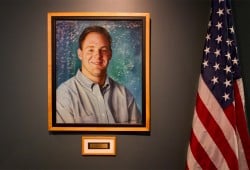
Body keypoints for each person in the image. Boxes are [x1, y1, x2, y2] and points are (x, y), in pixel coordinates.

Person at [56, 25, 142, 124]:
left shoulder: (124, 95)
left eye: (104, 50)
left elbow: (136, 137)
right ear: (80, 54)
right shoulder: (64, 96)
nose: (98, 55)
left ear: (110, 54)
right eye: (91, 50)